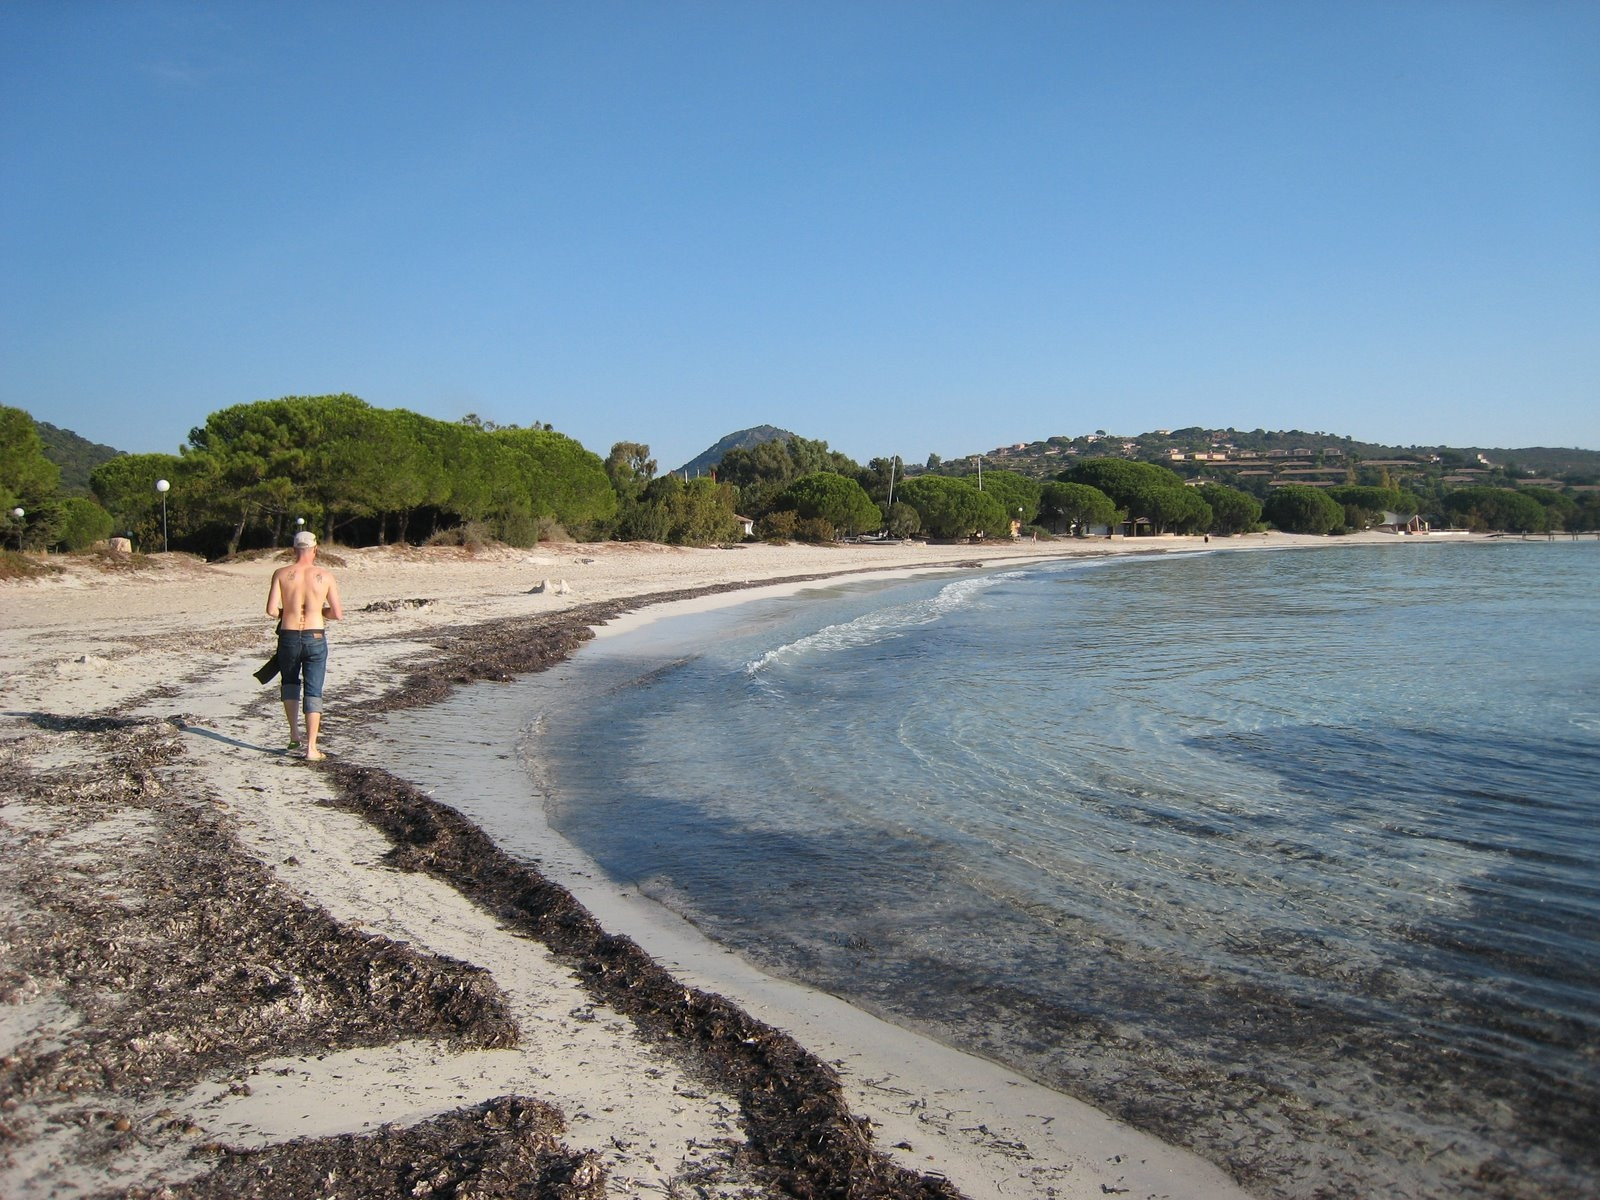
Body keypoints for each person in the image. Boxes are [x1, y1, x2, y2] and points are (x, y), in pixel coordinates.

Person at [266, 530, 343, 760]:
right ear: (315, 550)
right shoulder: (325, 575)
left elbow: (271, 610)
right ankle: (311, 748)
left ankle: (294, 734)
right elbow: (337, 613)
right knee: (313, 690)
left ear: (293, 550)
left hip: (289, 635)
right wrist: (318, 611)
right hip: (315, 635)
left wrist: (288, 612)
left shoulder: (281, 573)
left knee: (290, 683)